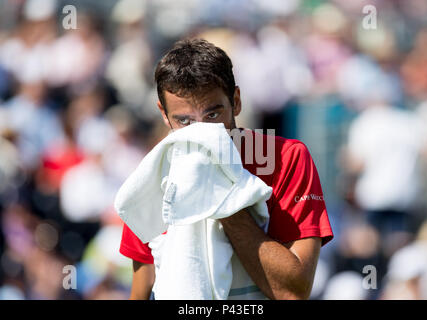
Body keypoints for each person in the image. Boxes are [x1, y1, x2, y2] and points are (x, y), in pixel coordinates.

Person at [118, 38, 333, 300]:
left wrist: (219, 196)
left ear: (236, 102)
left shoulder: (285, 158)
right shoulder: (155, 173)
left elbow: (293, 291)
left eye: (212, 115)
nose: (201, 132)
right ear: (164, 114)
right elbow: (142, 287)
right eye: (184, 120)